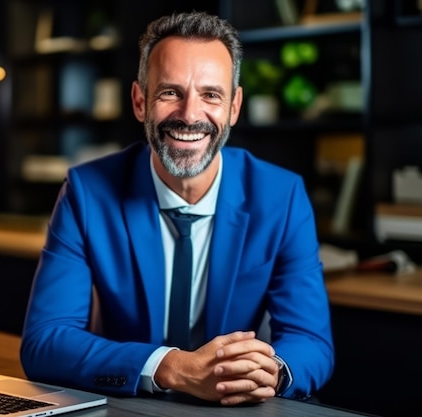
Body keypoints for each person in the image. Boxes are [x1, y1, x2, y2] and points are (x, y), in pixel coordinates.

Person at [20, 10, 334, 406]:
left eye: (211, 94)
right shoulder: (87, 192)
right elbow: (45, 342)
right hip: (130, 404)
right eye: (170, 92)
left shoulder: (281, 196)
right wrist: (171, 367)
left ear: (234, 107)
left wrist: (273, 370)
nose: (189, 115)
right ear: (139, 101)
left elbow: (312, 342)